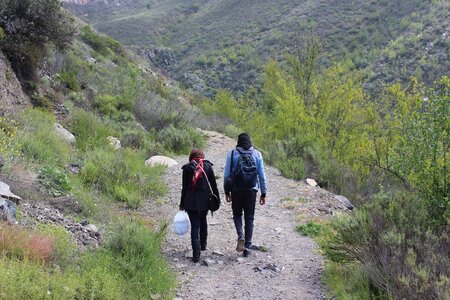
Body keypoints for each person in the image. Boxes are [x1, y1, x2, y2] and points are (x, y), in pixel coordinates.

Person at [224, 133, 267, 257]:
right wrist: (263, 193)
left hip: (236, 189)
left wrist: (227, 191)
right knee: (249, 217)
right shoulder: (257, 154)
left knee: (237, 214)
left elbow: (227, 174)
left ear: (238, 142)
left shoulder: (232, 153)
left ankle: (240, 235)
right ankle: (247, 246)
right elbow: (262, 176)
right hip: (251, 190)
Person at [180, 149, 220, 262]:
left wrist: (182, 204)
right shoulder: (207, 166)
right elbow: (214, 185)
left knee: (195, 226)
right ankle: (203, 245)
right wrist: (218, 200)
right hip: (205, 201)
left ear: (191, 157)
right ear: (202, 156)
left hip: (190, 201)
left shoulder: (187, 168)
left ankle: (196, 255)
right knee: (203, 221)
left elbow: (184, 188)